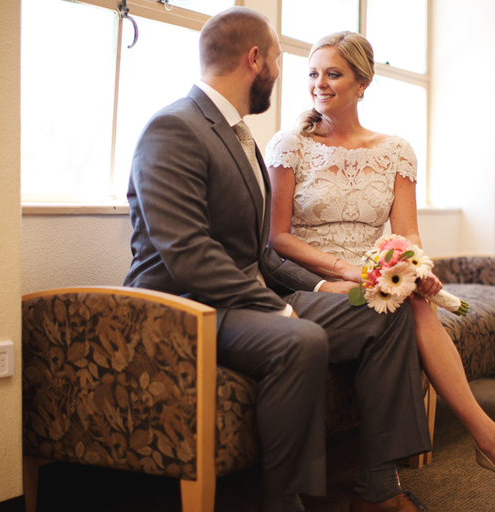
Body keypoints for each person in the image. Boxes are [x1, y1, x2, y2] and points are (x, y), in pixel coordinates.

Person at [124, 8, 431, 512]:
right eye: (280, 60)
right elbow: (187, 253)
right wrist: (279, 307)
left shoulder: (238, 134)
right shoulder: (174, 127)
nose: (289, 75)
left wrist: (317, 288)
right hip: (186, 306)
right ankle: (283, 503)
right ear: (255, 60)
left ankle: (378, 489)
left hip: (241, 300)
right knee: (299, 338)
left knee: (384, 312)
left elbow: (259, 248)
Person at [265, 31, 495, 490]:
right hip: (311, 283)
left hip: (376, 279)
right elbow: (276, 238)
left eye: (333, 74)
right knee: (406, 308)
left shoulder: (395, 150)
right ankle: (487, 440)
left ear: (363, 83)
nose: (319, 83)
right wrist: (345, 272)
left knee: (413, 300)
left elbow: (406, 234)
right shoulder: (290, 145)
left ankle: (451, 454)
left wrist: (418, 269)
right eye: (313, 73)